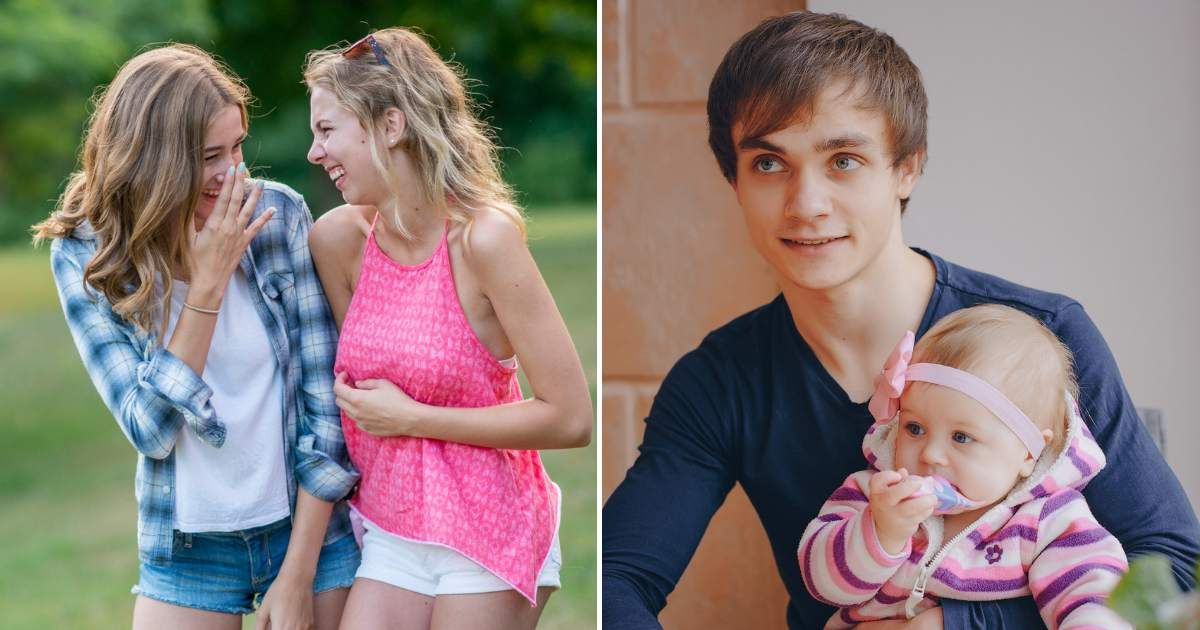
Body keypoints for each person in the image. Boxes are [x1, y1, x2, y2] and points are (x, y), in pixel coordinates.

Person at [601, 11, 1200, 630]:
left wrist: (959, 626)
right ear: (734, 180)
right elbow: (614, 582)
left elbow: (1174, 565)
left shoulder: (1047, 336)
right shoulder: (719, 381)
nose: (806, 205)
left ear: (907, 167)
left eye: (844, 161)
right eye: (769, 164)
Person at [32, 44, 359, 629]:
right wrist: (207, 285)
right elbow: (151, 430)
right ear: (153, 159)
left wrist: (297, 575)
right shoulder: (87, 252)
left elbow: (325, 410)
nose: (233, 172)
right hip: (188, 548)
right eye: (211, 156)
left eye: (237, 147)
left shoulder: (278, 218)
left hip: (308, 532)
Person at [302, 28, 593, 629]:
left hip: (489, 529)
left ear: (390, 126)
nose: (314, 152)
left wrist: (413, 419)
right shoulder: (338, 242)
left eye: (327, 131)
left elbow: (570, 418)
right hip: (391, 527)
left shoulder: (483, 240)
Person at [800, 305, 1129, 629]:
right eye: (914, 428)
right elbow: (822, 585)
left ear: (1029, 454)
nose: (930, 454)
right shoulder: (873, 493)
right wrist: (881, 531)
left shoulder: (1048, 521)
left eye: (961, 437)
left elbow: (1097, 597)